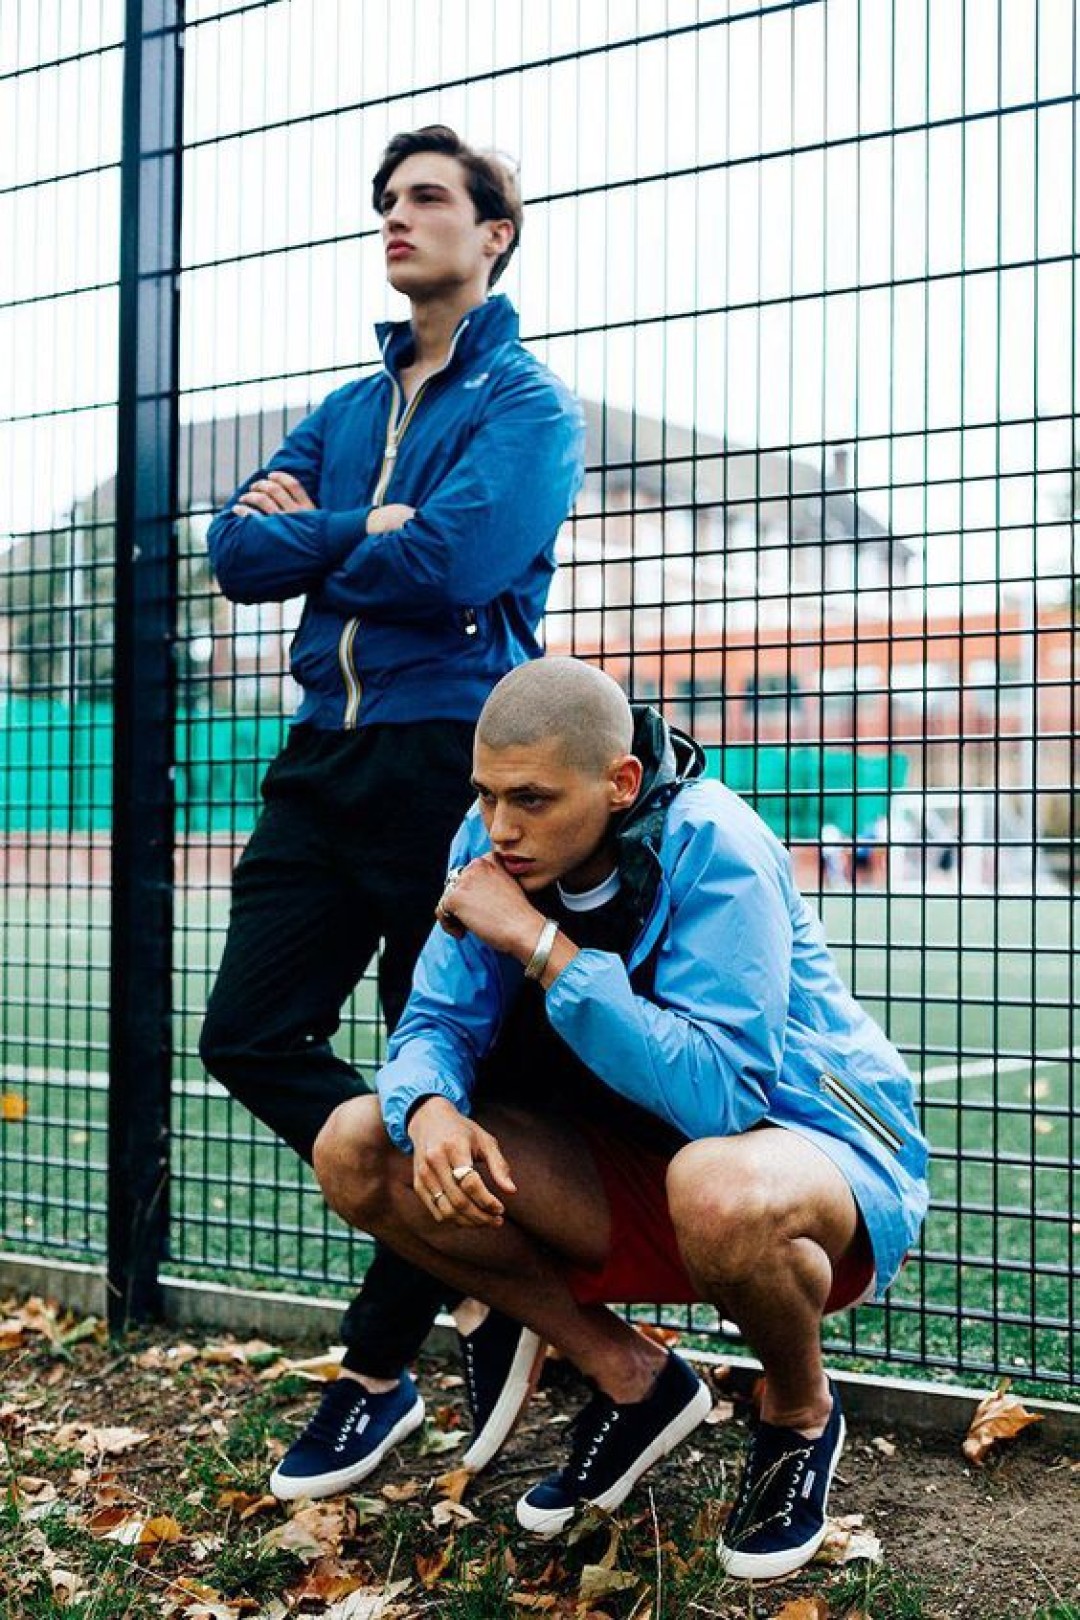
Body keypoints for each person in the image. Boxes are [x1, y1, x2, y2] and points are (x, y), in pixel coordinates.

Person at [312, 657, 930, 1581]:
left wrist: (539, 944)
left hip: (807, 1150)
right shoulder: (488, 844)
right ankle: (633, 1380)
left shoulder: (715, 841)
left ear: (621, 783)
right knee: (360, 1144)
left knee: (715, 1190)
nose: (501, 827)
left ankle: (799, 1414)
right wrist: (430, 1106)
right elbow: (435, 1022)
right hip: (634, 1161)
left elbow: (723, 1097)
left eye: (531, 799)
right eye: (485, 794)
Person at [199, 126, 585, 1502]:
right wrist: (361, 525)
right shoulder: (346, 409)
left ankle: (375, 1372)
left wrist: (325, 537)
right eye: (385, 203)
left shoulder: (529, 406)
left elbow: (456, 562)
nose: (396, 219)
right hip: (322, 757)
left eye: (426, 198)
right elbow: (232, 550)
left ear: (495, 233)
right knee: (247, 1032)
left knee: (444, 1068)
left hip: (446, 764)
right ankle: (478, 1288)